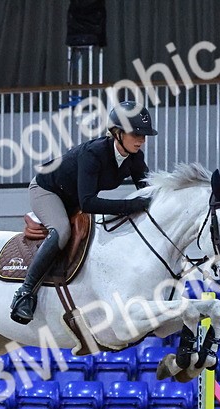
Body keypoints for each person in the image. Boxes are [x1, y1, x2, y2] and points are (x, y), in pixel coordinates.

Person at [10, 100, 157, 324]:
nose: (141, 140)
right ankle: (25, 293)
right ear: (117, 133)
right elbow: (88, 203)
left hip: (74, 199)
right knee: (62, 231)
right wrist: (131, 206)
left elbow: (148, 191)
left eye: (144, 135)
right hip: (48, 191)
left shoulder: (135, 158)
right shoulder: (93, 153)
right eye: (136, 134)